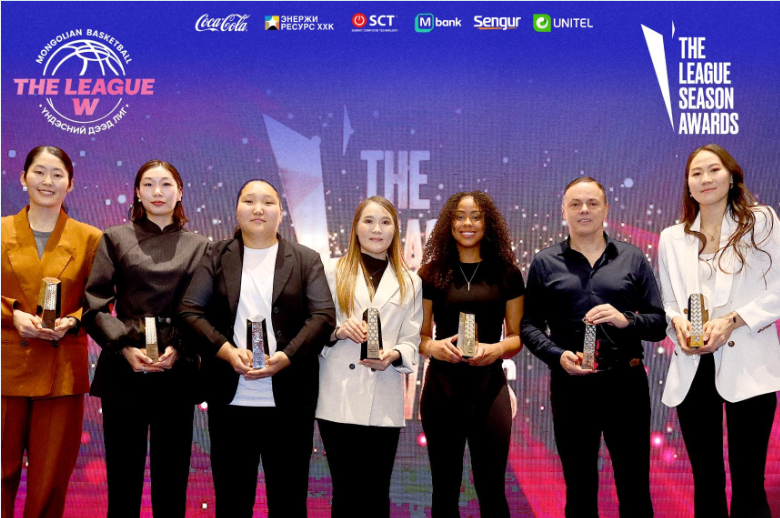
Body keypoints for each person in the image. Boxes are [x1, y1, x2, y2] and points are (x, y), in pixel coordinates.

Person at [179, 179, 335, 518]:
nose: (259, 209)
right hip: (231, 401)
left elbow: (323, 316)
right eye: (249, 201)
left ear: (281, 212)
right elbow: (189, 311)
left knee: (289, 502)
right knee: (232, 503)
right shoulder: (215, 255)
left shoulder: (306, 259)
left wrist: (288, 356)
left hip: (290, 402)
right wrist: (225, 350)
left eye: (268, 202)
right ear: (237, 211)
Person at [521, 177, 666, 518]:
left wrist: (626, 320)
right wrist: (557, 356)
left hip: (626, 384)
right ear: (564, 211)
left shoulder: (632, 258)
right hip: (571, 387)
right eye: (575, 204)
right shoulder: (545, 262)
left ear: (606, 210)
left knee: (634, 486)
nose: (584, 210)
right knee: (580, 487)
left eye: (592, 203)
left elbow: (659, 323)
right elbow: (528, 325)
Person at [81, 160, 210, 518]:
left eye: (166, 184)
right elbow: (94, 304)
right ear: (137, 192)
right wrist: (124, 347)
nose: (157, 192)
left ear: (180, 192)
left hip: (177, 369)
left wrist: (179, 347)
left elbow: (206, 308)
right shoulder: (115, 237)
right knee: (123, 481)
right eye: (148, 184)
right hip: (124, 368)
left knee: (172, 481)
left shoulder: (201, 246)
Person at [659, 144, 780, 518]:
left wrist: (732, 320)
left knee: (749, 482)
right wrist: (676, 321)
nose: (705, 179)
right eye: (696, 173)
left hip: (749, 364)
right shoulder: (672, 237)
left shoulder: (761, 221)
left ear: (731, 177)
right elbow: (669, 302)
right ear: (688, 185)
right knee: (706, 481)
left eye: (713, 170)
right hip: (694, 366)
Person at [1, 146, 102, 518]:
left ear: (70, 184)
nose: (47, 181)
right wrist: (12, 314)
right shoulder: (0, 231)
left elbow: (101, 301)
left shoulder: (90, 238)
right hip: (5, 369)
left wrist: (73, 320)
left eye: (57, 174)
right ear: (23, 178)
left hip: (61, 375)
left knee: (50, 480)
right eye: (39, 172)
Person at [418, 191, 524, 518]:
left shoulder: (507, 274)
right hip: (442, 389)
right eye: (460, 216)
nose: (468, 223)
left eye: (476, 217)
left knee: (492, 487)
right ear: (449, 224)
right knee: (445, 487)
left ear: (487, 223)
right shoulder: (429, 274)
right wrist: (434, 348)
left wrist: (496, 349)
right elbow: (420, 337)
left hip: (489, 388)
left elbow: (516, 338)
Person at [315, 196, 422, 518]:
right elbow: (313, 326)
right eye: (369, 221)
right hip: (338, 395)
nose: (377, 229)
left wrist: (394, 354)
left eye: (385, 222)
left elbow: (412, 339)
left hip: (385, 395)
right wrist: (338, 331)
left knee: (377, 492)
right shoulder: (331, 270)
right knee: (345, 490)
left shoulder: (410, 281)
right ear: (356, 228)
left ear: (395, 231)